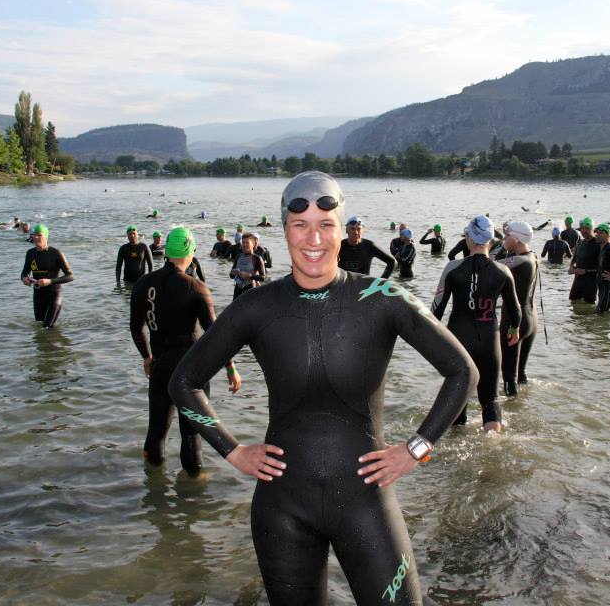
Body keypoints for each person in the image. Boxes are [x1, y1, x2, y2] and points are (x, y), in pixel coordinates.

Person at [168, 171, 477, 604]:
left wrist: (416, 449)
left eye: (326, 225)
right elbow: (183, 382)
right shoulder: (256, 306)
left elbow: (463, 371)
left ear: (342, 230)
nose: (313, 239)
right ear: (284, 229)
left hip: (367, 504)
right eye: (300, 225)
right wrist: (233, 451)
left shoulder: (383, 295)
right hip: (283, 510)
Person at [130, 227, 241, 476]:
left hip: (160, 366)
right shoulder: (196, 287)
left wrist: (147, 357)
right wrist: (231, 368)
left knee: (156, 430)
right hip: (190, 373)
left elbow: (136, 328)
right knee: (191, 434)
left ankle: (154, 485)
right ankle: (193, 489)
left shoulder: (143, 284)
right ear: (189, 251)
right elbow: (216, 335)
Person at [432, 215, 520, 431]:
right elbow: (516, 311)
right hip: (489, 339)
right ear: (490, 240)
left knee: (457, 398)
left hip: (458, 340)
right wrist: (514, 329)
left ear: (469, 238)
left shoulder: (452, 268)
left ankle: (456, 440)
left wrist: (431, 342)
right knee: (490, 399)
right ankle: (493, 442)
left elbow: (436, 311)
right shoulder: (503, 271)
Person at [500, 222, 539, 394]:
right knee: (520, 373)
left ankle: (511, 407)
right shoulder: (532, 256)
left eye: (507, 236)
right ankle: (523, 402)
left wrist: (502, 247)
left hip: (514, 321)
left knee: (509, 377)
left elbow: (490, 263)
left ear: (516, 239)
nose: (504, 238)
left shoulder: (520, 261)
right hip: (531, 319)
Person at [20, 224, 73, 328]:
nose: (36, 237)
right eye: (34, 235)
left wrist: (50, 281)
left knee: (47, 327)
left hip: (54, 294)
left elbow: (70, 276)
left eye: (39, 235)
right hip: (38, 295)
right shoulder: (30, 253)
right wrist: (24, 279)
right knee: (39, 326)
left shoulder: (56, 253)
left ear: (46, 236)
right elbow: (24, 272)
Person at [568, 217, 601, 304]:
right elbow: (574, 259)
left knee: (589, 305)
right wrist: (571, 267)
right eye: (582, 228)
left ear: (593, 229)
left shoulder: (598, 244)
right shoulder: (580, 243)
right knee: (572, 301)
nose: (584, 231)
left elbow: (603, 267)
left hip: (591, 282)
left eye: (587, 228)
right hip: (578, 280)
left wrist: (586, 271)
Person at [229, 232, 266, 299]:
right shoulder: (238, 257)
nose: (245, 245)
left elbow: (263, 277)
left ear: (253, 244)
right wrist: (233, 273)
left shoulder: (257, 258)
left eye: (247, 243)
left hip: (250, 289)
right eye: (243, 242)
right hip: (237, 290)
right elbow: (231, 275)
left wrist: (249, 275)